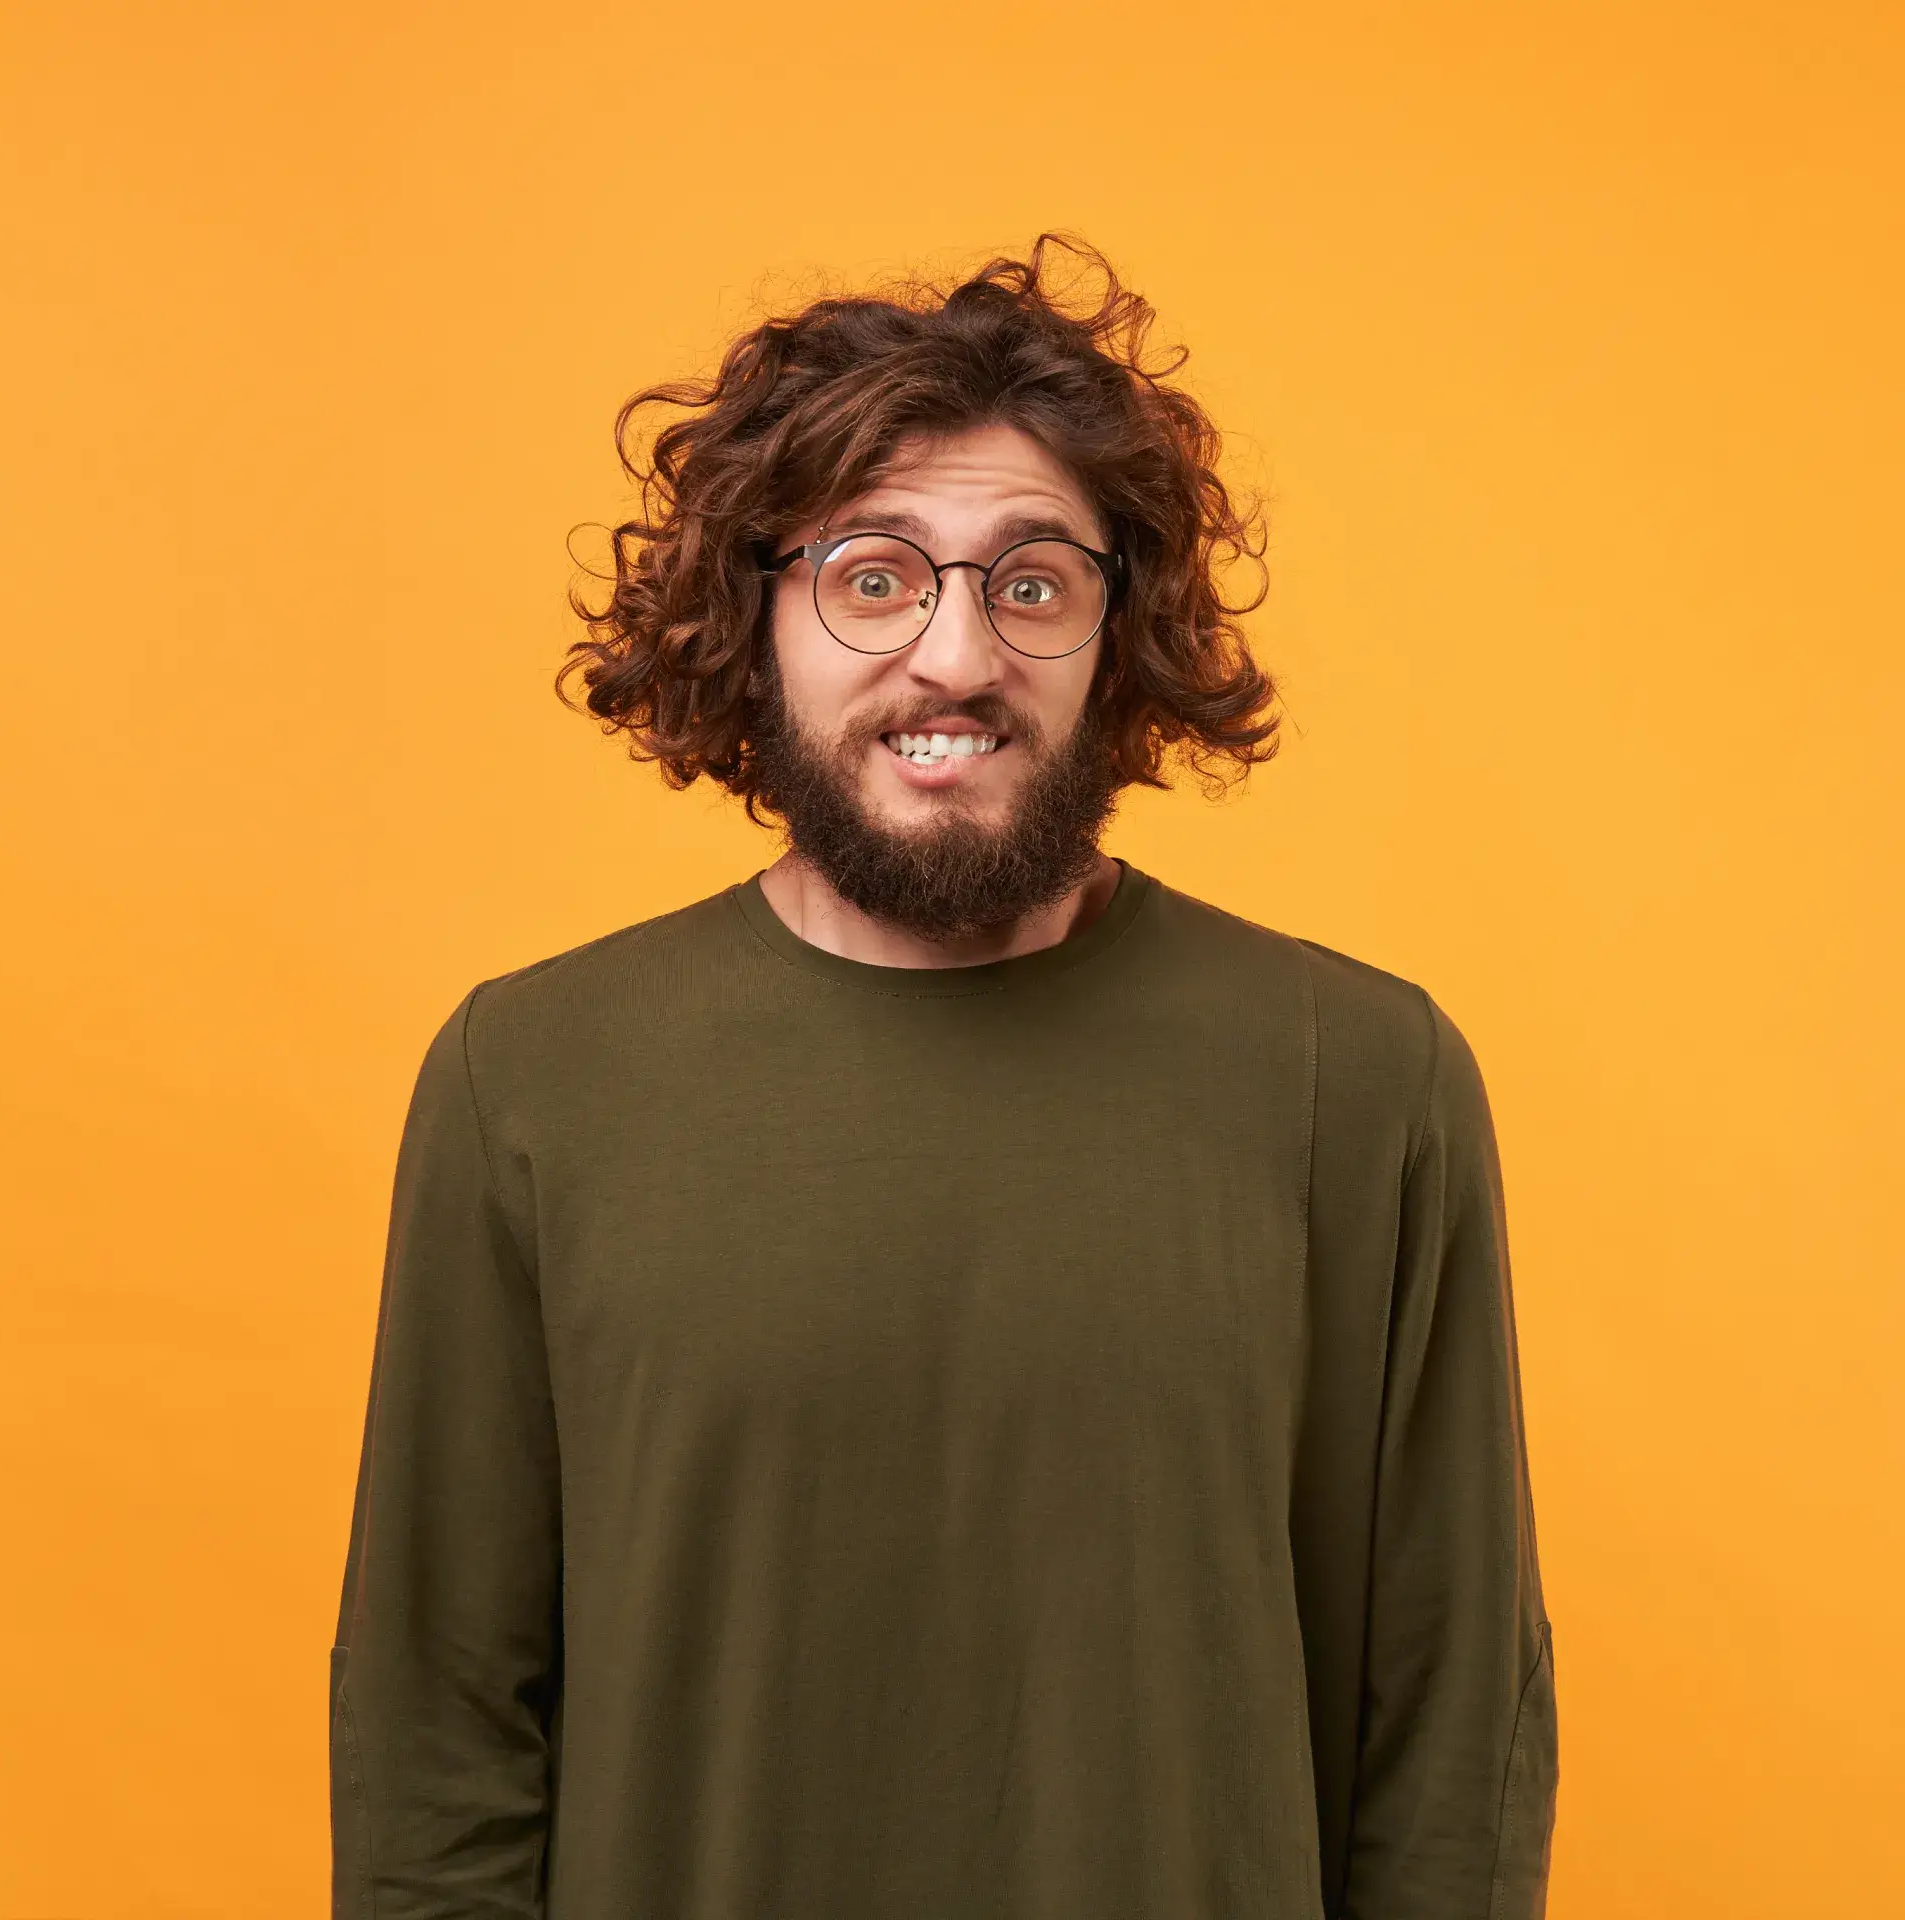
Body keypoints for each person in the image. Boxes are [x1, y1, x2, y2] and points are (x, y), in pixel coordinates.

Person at [330, 233, 1557, 1919]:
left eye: (1032, 583)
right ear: (754, 618)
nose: (957, 659)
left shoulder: (1359, 1083)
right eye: (874, 575)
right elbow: (436, 1731)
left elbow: (1449, 1730)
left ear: (1122, 634)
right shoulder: (532, 1080)